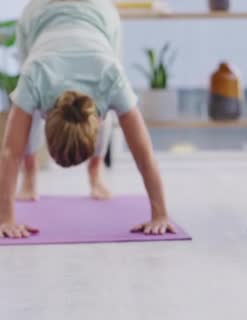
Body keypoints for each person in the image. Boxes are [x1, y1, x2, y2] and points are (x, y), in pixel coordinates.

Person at [0, 0, 174, 238]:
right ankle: (30, 174)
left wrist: (161, 214)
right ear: (48, 115)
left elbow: (143, 151)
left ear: (98, 121)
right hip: (39, 12)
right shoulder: (35, 74)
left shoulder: (111, 76)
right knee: (24, 117)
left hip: (99, 13)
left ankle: (96, 170)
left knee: (115, 107)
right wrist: (5, 218)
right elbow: (12, 151)